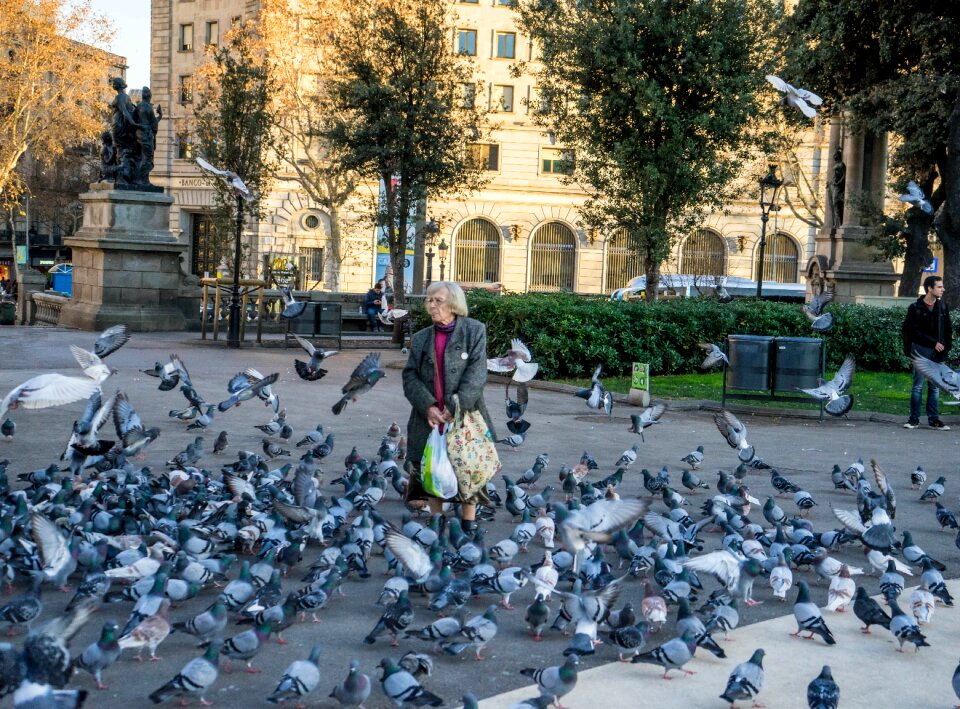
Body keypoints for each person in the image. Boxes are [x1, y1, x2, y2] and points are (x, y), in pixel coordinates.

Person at [401, 281, 495, 533]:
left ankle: (468, 520)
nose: (431, 305)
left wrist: (456, 407)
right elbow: (410, 376)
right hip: (430, 417)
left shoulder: (474, 331)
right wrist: (428, 406)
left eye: (437, 300)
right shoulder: (421, 338)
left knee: (468, 465)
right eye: (429, 300)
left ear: (453, 303)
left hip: (465, 414)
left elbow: (477, 375)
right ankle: (436, 518)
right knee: (431, 466)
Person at [903, 275, 952, 430]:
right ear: (930, 288)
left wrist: (946, 347)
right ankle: (914, 419)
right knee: (918, 386)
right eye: (939, 286)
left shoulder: (943, 307)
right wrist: (933, 343)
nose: (942, 289)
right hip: (921, 350)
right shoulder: (916, 308)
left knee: (935, 386)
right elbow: (911, 332)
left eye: (942, 286)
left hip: (938, 352)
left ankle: (934, 420)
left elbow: (948, 330)